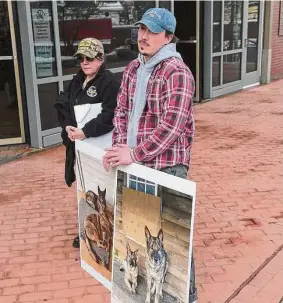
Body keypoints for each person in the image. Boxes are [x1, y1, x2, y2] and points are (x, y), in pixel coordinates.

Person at [103, 7, 197, 303]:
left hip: (167, 166)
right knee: (140, 228)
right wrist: (120, 148)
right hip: (135, 162)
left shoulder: (177, 72)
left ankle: (187, 296)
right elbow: (121, 111)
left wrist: (134, 153)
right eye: (141, 29)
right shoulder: (133, 68)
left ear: (168, 37)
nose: (143, 36)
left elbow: (172, 126)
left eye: (152, 31)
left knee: (173, 238)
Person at [55, 37, 120, 248]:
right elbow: (63, 103)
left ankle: (110, 232)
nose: (84, 62)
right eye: (81, 58)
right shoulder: (77, 79)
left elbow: (110, 116)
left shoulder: (110, 83)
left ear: (101, 58)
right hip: (79, 147)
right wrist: (67, 127)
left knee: (103, 190)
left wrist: (86, 131)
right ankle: (86, 228)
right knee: (84, 187)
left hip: (99, 147)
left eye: (89, 58)